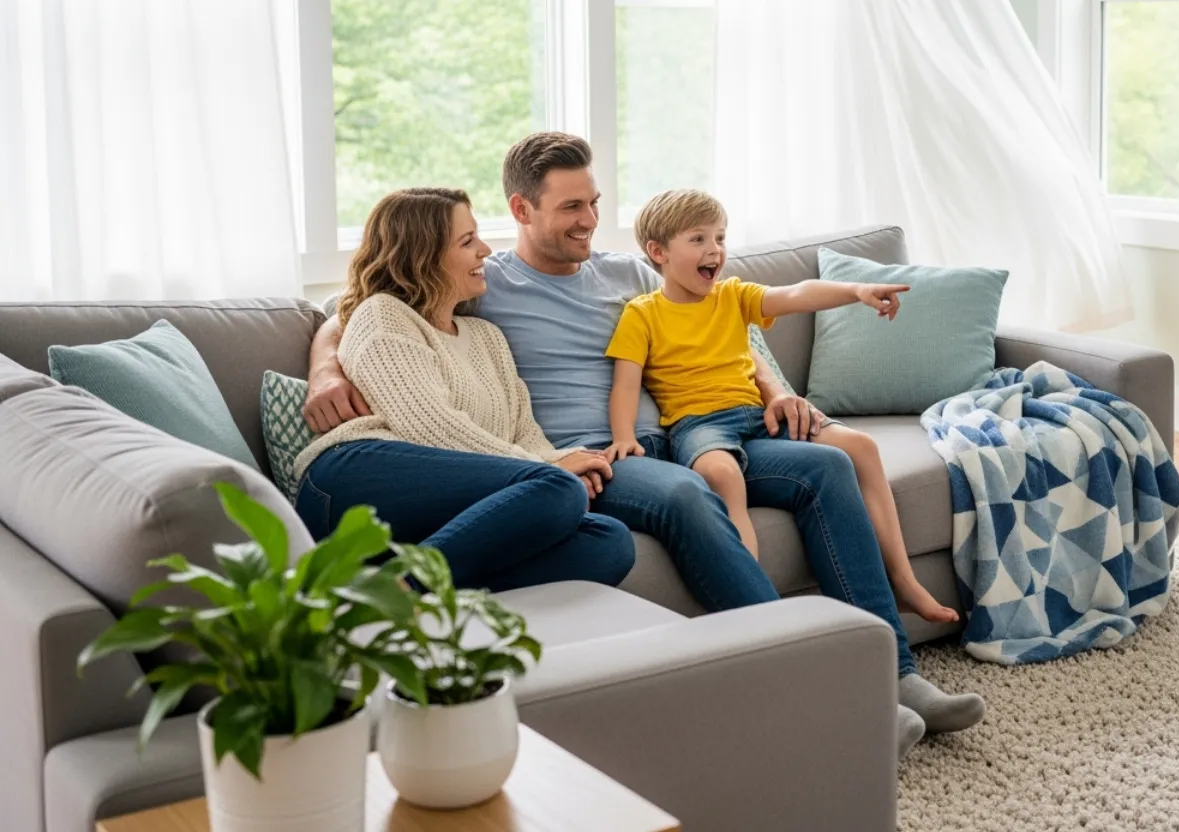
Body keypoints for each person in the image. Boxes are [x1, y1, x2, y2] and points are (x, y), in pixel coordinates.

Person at [304, 134, 984, 758]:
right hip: (594, 454)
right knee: (689, 497)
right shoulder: (492, 284)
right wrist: (326, 368)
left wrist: (775, 389)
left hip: (686, 433)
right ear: (522, 208)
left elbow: (726, 327)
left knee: (827, 466)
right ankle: (814, 689)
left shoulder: (630, 273)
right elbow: (363, 304)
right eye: (570, 206)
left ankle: (896, 676)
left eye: (595, 203)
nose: (589, 220)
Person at [607, 188, 960, 627]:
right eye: (698, 239)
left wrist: (856, 290)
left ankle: (903, 580)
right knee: (722, 475)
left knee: (861, 446)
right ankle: (751, 608)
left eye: (719, 238)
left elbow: (797, 294)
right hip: (699, 426)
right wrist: (624, 437)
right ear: (657, 252)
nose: (714, 249)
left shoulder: (733, 295)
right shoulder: (642, 314)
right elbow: (625, 384)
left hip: (758, 415)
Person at [292, 187, 633, 594]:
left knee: (609, 540)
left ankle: (402, 585)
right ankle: (405, 589)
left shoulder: (487, 337)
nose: (485, 250)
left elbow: (522, 432)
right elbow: (430, 427)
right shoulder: (384, 315)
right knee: (559, 490)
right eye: (468, 241)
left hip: (437, 504)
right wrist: (550, 472)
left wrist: (562, 459)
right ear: (424, 255)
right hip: (354, 477)